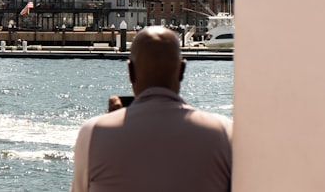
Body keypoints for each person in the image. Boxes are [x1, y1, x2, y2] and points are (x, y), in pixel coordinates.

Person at [70, 26, 233, 192]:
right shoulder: (223, 133)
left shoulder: (93, 133)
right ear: (182, 71)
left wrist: (107, 128)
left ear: (130, 71)